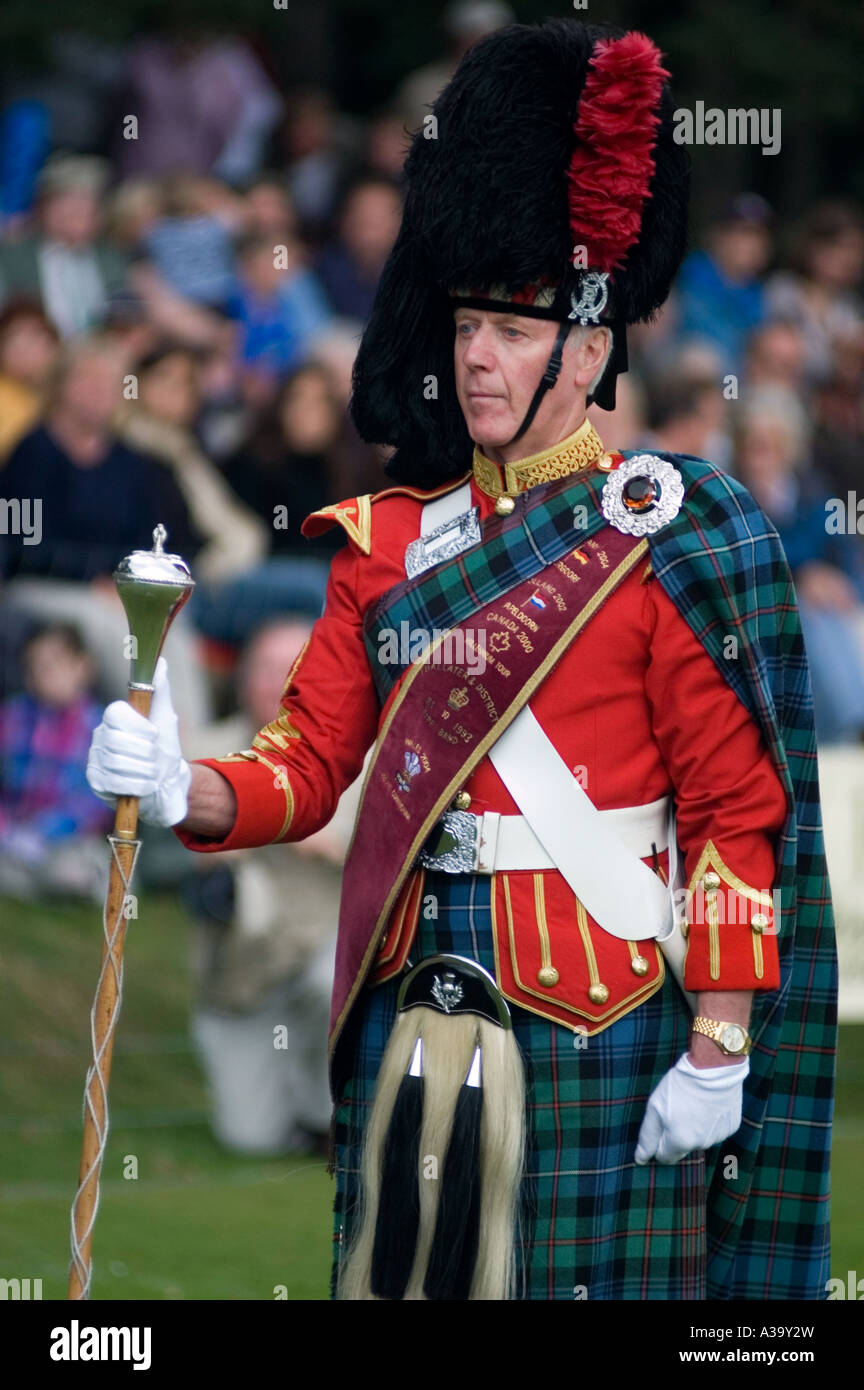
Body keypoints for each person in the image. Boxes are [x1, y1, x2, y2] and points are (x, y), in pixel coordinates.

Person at [86, 19, 836, 1301]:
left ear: (590, 351)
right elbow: (308, 763)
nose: (476, 354)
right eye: (468, 322)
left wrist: (719, 1041)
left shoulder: (668, 533)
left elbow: (733, 814)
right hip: (416, 1009)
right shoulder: (389, 544)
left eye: (514, 327)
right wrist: (181, 787)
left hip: (608, 1009)